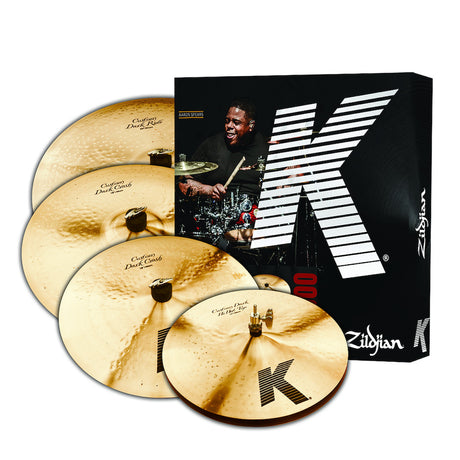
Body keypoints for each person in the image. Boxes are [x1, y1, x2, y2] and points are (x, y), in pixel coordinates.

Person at [178, 98, 268, 200]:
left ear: (251, 125)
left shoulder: (266, 148)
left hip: (258, 207)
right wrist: (208, 190)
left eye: (236, 122)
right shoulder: (212, 145)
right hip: (218, 207)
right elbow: (184, 183)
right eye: (227, 121)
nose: (229, 126)